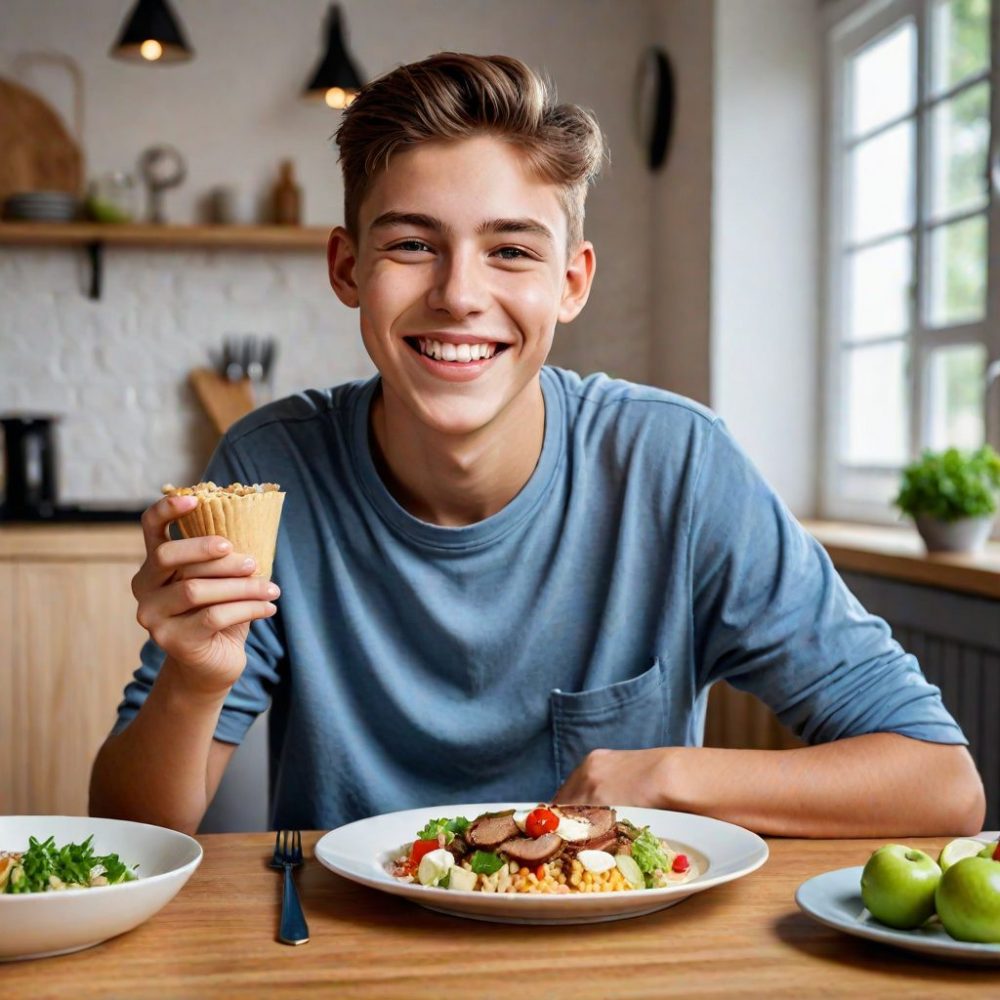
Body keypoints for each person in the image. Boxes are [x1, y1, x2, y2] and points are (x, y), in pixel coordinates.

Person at [90, 52, 985, 838]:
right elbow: (127, 829)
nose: (458, 294)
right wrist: (195, 680)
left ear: (571, 281)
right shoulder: (268, 468)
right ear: (348, 269)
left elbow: (943, 784)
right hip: (349, 958)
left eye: (510, 251)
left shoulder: (676, 466)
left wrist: (671, 775)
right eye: (412, 243)